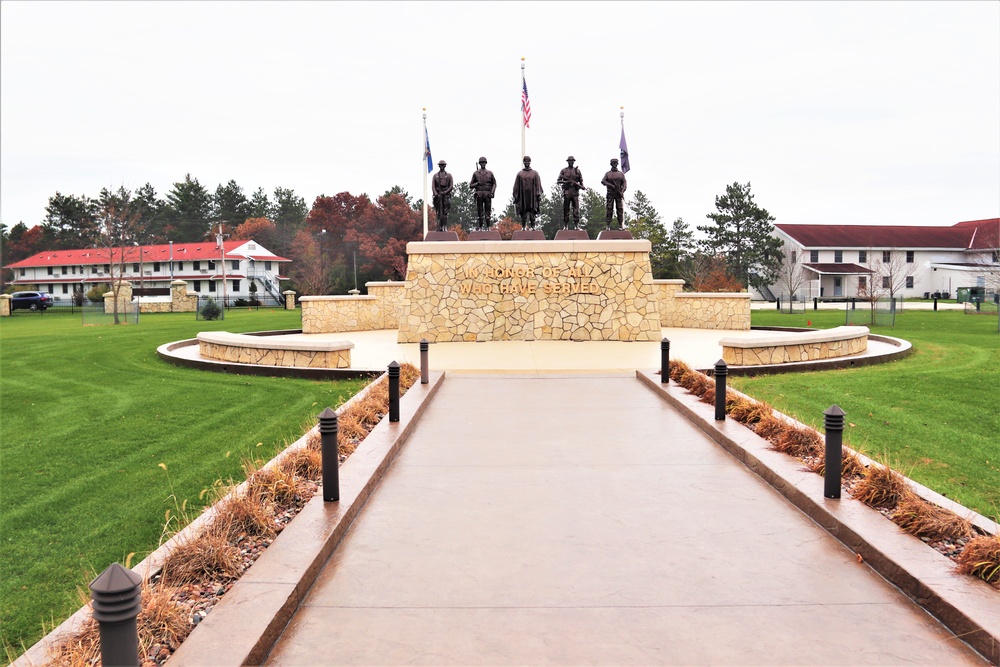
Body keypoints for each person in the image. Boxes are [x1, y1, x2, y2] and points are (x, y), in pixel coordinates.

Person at [512, 155, 544, 229]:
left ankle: (533, 226)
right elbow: (516, 186)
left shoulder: (535, 173)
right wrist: (515, 196)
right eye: (525, 161)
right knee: (523, 212)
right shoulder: (520, 174)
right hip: (523, 196)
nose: (527, 162)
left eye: (528, 161)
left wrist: (538, 194)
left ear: (530, 162)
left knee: (532, 212)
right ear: (523, 162)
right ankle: (523, 226)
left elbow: (538, 185)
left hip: (532, 196)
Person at [556, 156, 585, 229]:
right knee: (566, 209)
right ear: (567, 161)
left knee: (576, 209)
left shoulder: (577, 171)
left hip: (575, 192)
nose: (571, 162)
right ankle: (565, 225)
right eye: (569, 161)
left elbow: (581, 181)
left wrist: (582, 186)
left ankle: (576, 225)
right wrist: (565, 182)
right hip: (567, 191)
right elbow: (558, 180)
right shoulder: (564, 171)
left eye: (572, 161)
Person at [469, 157, 497, 230]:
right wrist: (477, 184)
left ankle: (488, 227)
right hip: (479, 194)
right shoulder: (475, 173)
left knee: (488, 211)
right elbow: (471, 185)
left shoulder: (490, 173)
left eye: (484, 162)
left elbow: (494, 183)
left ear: (486, 163)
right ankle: (481, 227)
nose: (483, 164)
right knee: (480, 211)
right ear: (480, 163)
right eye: (481, 163)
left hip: (487, 194)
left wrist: (492, 192)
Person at [601, 158, 628, 229]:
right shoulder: (608, 174)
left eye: (615, 163)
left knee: (619, 209)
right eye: (613, 163)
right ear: (611, 164)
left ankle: (620, 225)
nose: (614, 164)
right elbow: (603, 181)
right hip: (610, 193)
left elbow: (624, 184)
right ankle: (608, 225)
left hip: (618, 194)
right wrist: (610, 185)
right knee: (609, 208)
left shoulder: (621, 174)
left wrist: (622, 191)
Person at [432, 160, 453, 230]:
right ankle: (439, 226)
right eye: (440, 165)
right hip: (438, 196)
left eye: (443, 165)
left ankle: (444, 226)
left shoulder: (449, 175)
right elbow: (433, 186)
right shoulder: (435, 176)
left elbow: (451, 186)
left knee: (445, 212)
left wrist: (445, 192)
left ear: (445, 166)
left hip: (446, 196)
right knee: (438, 212)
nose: (442, 166)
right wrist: (436, 194)